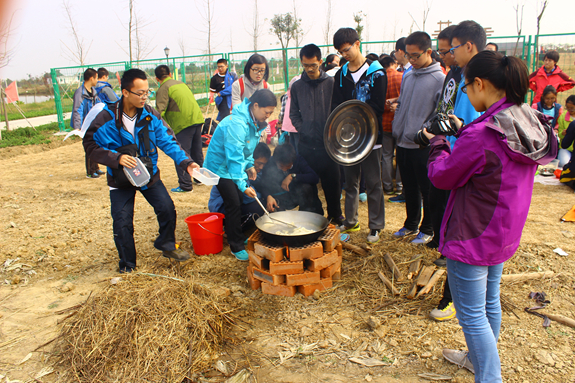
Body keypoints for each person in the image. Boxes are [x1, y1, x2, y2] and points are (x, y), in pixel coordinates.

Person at [425, 50, 556, 382]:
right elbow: (491, 153)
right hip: (503, 230)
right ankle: (476, 360)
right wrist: (462, 129)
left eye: (467, 88)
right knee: (489, 301)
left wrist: (438, 142)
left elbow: (443, 176)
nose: (467, 94)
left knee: (471, 315)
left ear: (480, 84)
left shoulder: (482, 135)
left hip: (472, 234)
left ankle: (489, 376)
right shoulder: (526, 118)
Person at [83, 69, 200, 273]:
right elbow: (90, 145)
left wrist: (187, 163)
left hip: (148, 174)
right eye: (140, 93)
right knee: (122, 222)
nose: (145, 97)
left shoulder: (150, 115)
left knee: (167, 208)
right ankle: (128, 265)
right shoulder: (106, 117)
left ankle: (166, 244)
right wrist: (116, 158)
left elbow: (168, 141)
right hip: (120, 179)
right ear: (125, 92)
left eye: (147, 92)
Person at [203, 89, 277, 261]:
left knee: (238, 200)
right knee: (233, 202)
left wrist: (250, 165)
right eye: (267, 112)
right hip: (221, 167)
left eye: (270, 113)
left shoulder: (254, 121)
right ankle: (235, 245)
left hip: (232, 166)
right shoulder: (237, 124)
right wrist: (243, 185)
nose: (268, 116)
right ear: (256, 106)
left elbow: (248, 148)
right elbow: (234, 157)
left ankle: (235, 232)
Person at [331, 27, 387, 244]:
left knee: (373, 182)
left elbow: (377, 106)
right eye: (340, 52)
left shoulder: (376, 73)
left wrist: (355, 114)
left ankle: (375, 226)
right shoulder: (341, 75)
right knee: (350, 182)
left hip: (371, 137)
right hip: (347, 138)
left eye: (346, 50)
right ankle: (351, 220)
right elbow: (336, 105)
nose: (344, 55)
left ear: (357, 44)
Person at [391, 31, 445, 245]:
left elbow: (439, 114)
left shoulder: (439, 79)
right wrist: (398, 126)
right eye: (408, 56)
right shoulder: (409, 75)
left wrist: (423, 133)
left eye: (415, 56)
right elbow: (403, 104)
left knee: (427, 189)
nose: (411, 60)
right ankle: (410, 224)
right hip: (402, 141)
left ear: (429, 52)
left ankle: (428, 228)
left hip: (422, 144)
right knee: (409, 187)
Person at [290, 43, 343, 224]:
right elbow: (293, 113)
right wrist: (303, 128)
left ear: (320, 62)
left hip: (328, 145)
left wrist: (331, 132)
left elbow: (338, 111)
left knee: (332, 183)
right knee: (307, 184)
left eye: (313, 65)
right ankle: (313, 217)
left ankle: (336, 216)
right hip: (305, 144)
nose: (310, 69)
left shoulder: (331, 84)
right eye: (306, 66)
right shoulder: (297, 86)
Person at [155, 64, 205, 193]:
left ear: (157, 79)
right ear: (170, 74)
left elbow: (159, 112)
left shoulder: (163, 88)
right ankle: (200, 179)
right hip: (197, 119)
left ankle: (185, 185)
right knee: (197, 151)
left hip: (183, 123)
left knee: (181, 153)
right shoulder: (181, 84)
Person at [209, 142, 270, 231]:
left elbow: (258, 183)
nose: (261, 167)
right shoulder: (237, 169)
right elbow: (248, 198)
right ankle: (230, 229)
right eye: (259, 163)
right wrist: (261, 195)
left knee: (260, 203)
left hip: (232, 205)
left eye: (264, 164)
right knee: (258, 207)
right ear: (250, 158)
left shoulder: (251, 170)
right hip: (221, 209)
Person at [259, 143, 323, 215]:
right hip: (279, 198)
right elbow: (262, 185)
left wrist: (293, 176)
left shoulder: (298, 160)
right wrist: (268, 196)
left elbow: (314, 178)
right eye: (281, 166)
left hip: (295, 194)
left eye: (288, 166)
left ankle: (304, 215)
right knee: (279, 217)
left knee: (307, 188)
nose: (284, 170)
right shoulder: (270, 163)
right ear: (276, 161)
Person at [72, 68, 102, 179]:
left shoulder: (93, 92)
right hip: (85, 125)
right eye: (96, 77)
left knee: (95, 145)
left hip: (93, 123)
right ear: (91, 78)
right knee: (89, 147)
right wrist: (78, 127)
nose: (97, 80)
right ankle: (90, 172)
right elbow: (77, 110)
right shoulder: (80, 93)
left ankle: (96, 168)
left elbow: (98, 105)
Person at [379, 56, 403, 196]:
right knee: (400, 155)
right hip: (399, 122)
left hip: (385, 123)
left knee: (386, 156)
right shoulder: (402, 77)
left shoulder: (381, 79)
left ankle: (387, 186)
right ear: (393, 63)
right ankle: (399, 185)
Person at [277, 75, 301, 153]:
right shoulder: (301, 96)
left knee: (292, 146)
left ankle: (293, 162)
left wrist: (280, 121)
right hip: (298, 126)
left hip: (288, 125)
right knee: (299, 147)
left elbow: (282, 112)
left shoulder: (286, 96)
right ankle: (298, 162)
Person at [557, 95, 575, 167]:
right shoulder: (563, 117)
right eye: (568, 108)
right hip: (566, 148)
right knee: (563, 163)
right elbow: (559, 135)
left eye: (572, 108)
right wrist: (563, 133)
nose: (570, 110)